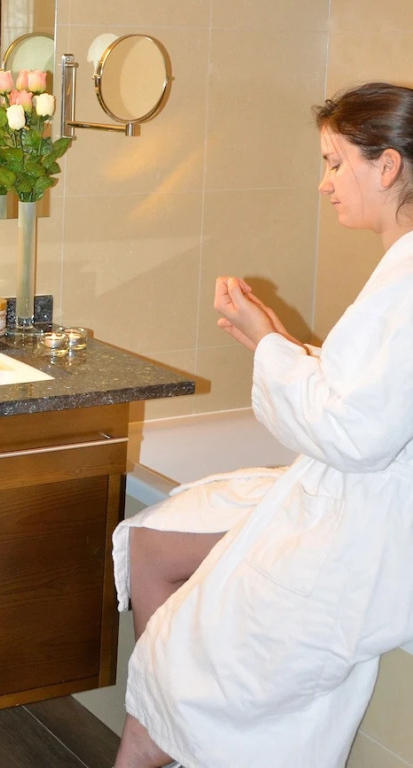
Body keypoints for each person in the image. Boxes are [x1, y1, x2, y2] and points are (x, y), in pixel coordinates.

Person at [111, 81, 413, 768]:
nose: (324, 184)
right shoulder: (400, 270)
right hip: (340, 495)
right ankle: (173, 733)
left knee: (179, 664)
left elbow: (355, 434)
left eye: (335, 163)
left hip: (362, 527)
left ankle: (170, 734)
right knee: (156, 539)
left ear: (387, 166)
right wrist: (275, 341)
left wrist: (270, 345)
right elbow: (373, 396)